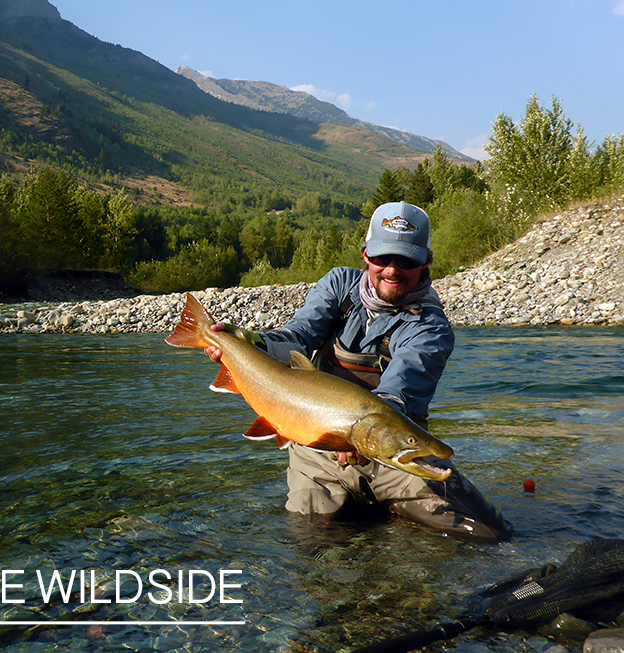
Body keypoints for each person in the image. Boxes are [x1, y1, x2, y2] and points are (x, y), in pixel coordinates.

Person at [207, 201, 513, 541]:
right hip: (316, 456)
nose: (392, 270)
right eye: (383, 258)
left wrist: (361, 437)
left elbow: (399, 392)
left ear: (426, 262)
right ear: (366, 254)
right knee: (313, 544)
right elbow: (296, 338)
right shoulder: (340, 286)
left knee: (488, 534)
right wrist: (252, 343)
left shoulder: (431, 328)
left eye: (406, 260)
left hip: (392, 457)